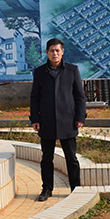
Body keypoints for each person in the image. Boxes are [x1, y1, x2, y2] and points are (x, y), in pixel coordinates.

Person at [30, 38, 87, 202]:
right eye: (51, 50)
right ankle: (47, 189)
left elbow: (79, 96)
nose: (55, 53)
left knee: (71, 158)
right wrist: (35, 118)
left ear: (62, 52)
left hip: (68, 120)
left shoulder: (72, 70)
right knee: (46, 158)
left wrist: (80, 117)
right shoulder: (40, 72)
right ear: (47, 53)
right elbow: (35, 97)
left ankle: (75, 187)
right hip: (46, 121)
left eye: (57, 50)